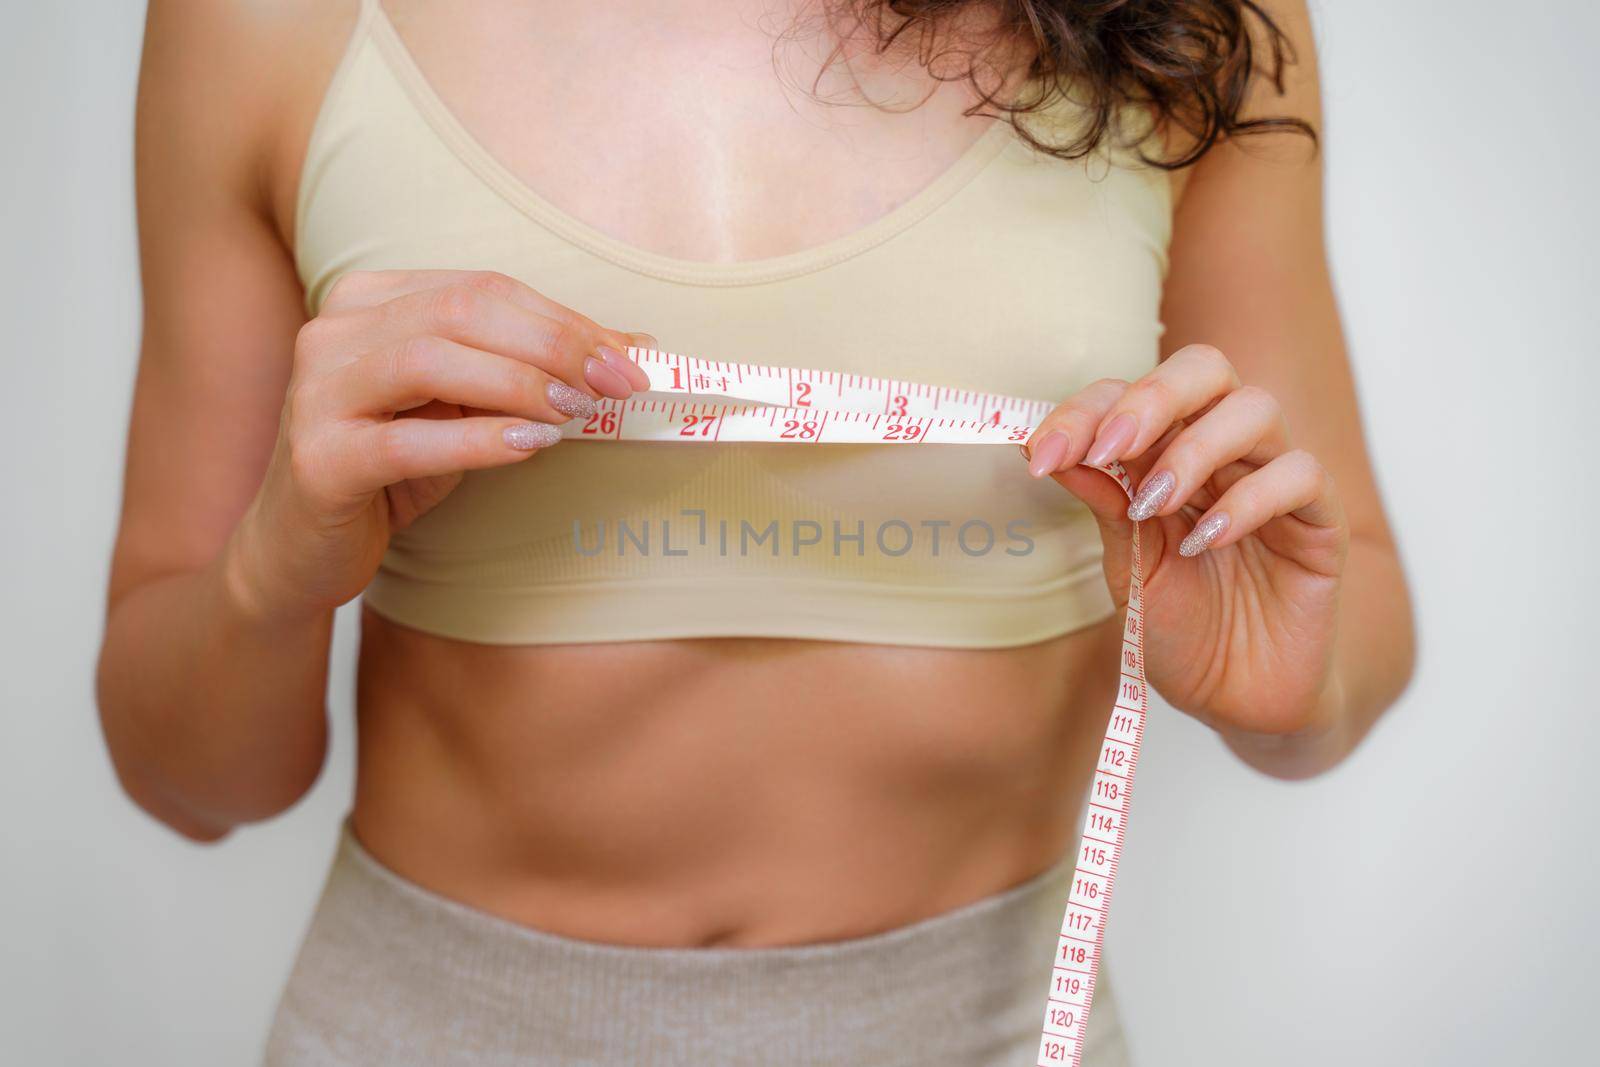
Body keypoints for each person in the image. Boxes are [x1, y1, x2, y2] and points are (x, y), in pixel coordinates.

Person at [96, 1, 1415, 1063]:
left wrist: (1295, 687)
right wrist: (273, 572)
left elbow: (1351, 630)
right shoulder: (259, 23)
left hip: (1003, 1036)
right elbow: (190, 783)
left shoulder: (1197, 25)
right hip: (425, 1026)